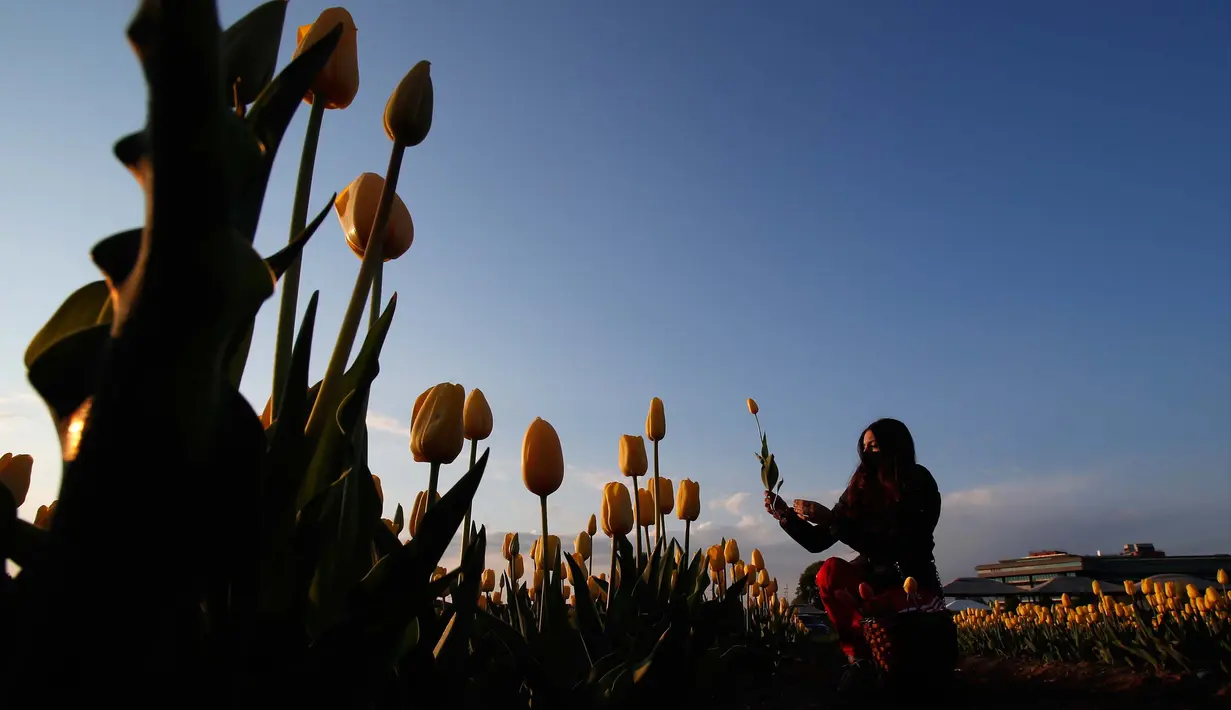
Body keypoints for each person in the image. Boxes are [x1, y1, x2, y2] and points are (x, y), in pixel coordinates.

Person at [764, 418, 946, 691]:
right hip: (869, 580)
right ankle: (858, 658)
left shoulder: (919, 483)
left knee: (887, 615)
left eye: (875, 446)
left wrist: (832, 520)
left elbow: (897, 545)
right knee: (830, 573)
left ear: (895, 446)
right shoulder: (859, 488)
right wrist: (786, 516)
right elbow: (818, 542)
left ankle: (900, 667)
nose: (869, 453)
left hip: (911, 580)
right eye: (865, 447)